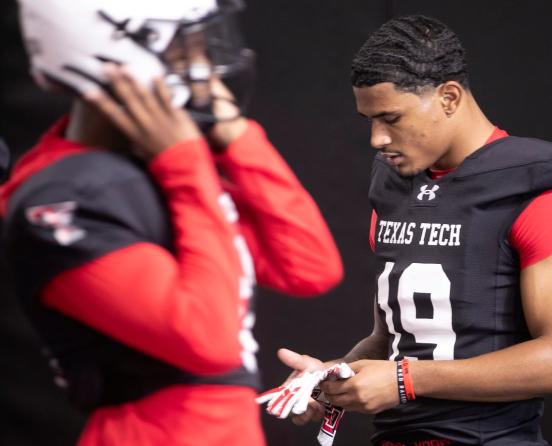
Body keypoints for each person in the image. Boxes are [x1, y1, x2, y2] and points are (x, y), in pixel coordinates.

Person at [1, 0, 343, 445]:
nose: (206, 70)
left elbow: (309, 265)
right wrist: (185, 164)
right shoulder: (61, 197)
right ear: (114, 55)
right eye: (187, 52)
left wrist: (234, 135)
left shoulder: (154, 166)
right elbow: (206, 337)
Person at [274, 15, 552, 445]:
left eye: (391, 117)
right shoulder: (393, 187)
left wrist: (406, 379)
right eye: (369, 119)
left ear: (448, 97)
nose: (376, 138)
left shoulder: (538, 190)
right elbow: (393, 340)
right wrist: (334, 377)